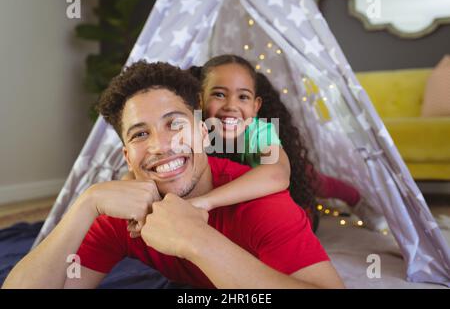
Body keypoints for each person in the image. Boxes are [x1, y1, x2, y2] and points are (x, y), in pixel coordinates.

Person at [3, 61, 344, 289]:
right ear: (127, 155)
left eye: (175, 124)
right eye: (139, 134)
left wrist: (197, 240)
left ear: (203, 132)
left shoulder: (261, 201)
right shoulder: (123, 210)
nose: (161, 146)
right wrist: (85, 204)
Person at [186, 54, 387, 232]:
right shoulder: (191, 127)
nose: (231, 106)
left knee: (310, 180)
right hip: (230, 205)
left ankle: (355, 199)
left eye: (243, 97)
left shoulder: (258, 132)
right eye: (219, 94)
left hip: (286, 205)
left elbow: (277, 174)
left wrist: (206, 201)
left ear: (256, 107)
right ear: (200, 100)